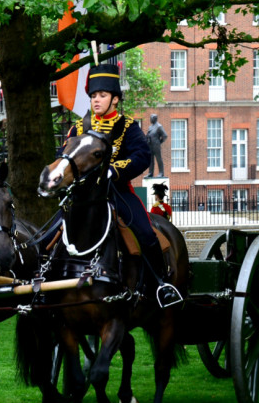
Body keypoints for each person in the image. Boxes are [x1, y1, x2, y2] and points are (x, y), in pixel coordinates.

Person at [71, 62, 180, 306]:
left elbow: (142, 156)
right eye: (93, 96)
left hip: (117, 193)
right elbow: (64, 156)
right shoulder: (78, 128)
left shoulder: (128, 127)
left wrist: (113, 170)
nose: (96, 100)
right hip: (83, 197)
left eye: (102, 95)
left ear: (115, 99)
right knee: (53, 233)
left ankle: (162, 285)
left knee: (145, 234)